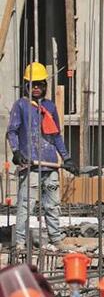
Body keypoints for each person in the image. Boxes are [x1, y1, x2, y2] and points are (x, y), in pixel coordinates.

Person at [7, 63, 68, 250]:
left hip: (50, 165)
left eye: (40, 84)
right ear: (26, 85)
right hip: (30, 165)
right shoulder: (21, 106)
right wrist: (16, 152)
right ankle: (19, 241)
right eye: (32, 84)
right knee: (26, 205)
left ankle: (55, 239)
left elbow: (56, 135)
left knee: (52, 205)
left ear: (45, 86)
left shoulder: (50, 106)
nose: (36, 88)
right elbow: (12, 131)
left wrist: (66, 158)